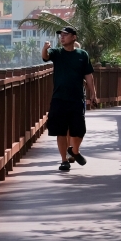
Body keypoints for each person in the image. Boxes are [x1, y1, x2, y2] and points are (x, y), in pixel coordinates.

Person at [42, 26, 98, 172]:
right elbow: (45, 57)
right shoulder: (57, 53)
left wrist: (93, 93)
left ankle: (74, 150)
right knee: (61, 131)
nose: (62, 37)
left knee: (79, 130)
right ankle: (64, 160)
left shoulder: (82, 55)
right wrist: (45, 48)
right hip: (59, 98)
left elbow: (88, 76)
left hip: (77, 97)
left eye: (65, 35)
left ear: (74, 37)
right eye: (61, 35)